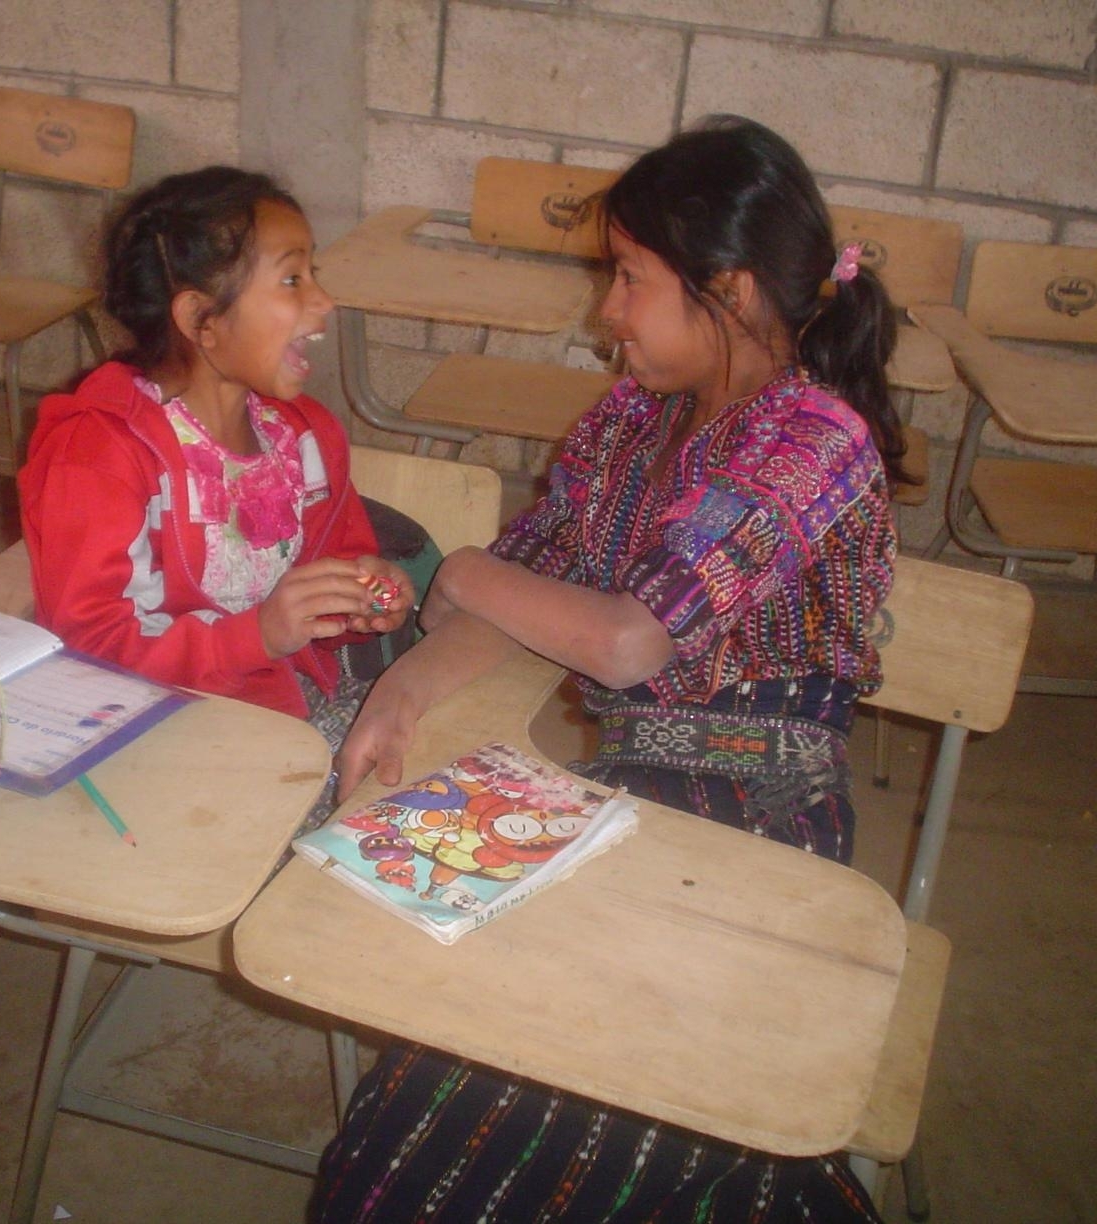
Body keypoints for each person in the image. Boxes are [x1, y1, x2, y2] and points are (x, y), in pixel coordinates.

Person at [313, 115, 905, 1222]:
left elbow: (625, 639)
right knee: (411, 1142)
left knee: (583, 1118)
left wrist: (470, 569)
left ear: (724, 290)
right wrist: (400, 694)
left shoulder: (815, 440)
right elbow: (534, 599)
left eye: (628, 279)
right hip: (629, 802)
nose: (608, 313)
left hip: (759, 826)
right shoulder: (636, 417)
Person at [18, 167, 412, 754]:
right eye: (291, 279)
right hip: (154, 734)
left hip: (283, 709)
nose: (323, 301)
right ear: (201, 319)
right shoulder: (100, 455)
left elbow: (340, 551)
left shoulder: (302, 436)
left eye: (314, 275)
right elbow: (91, 648)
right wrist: (255, 636)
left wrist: (363, 590)